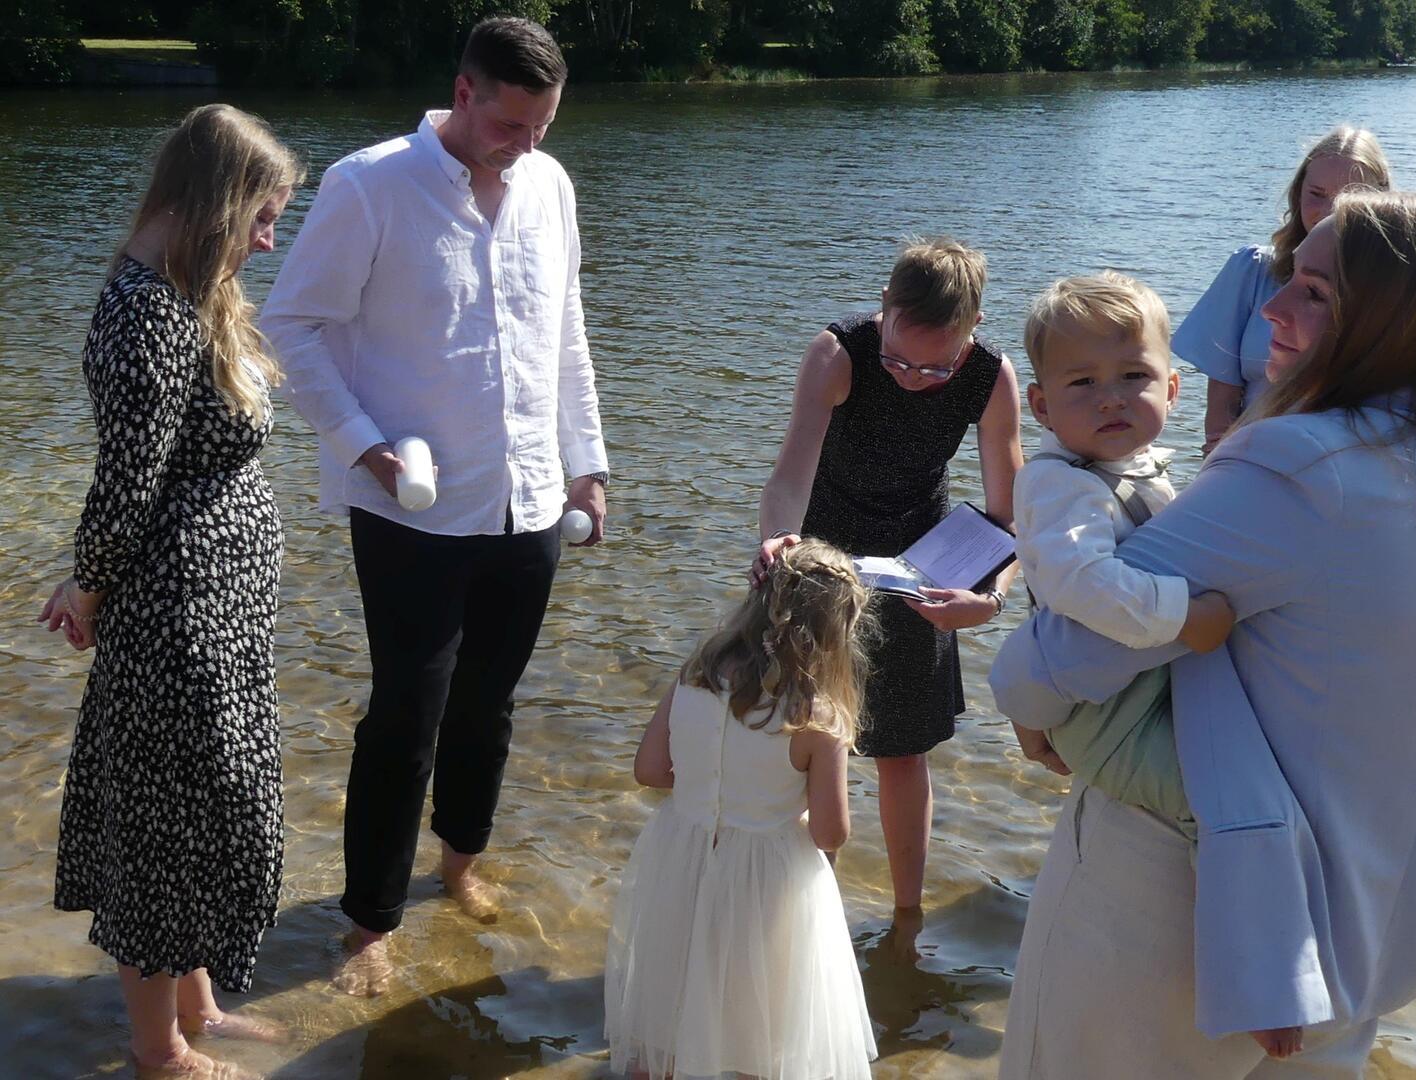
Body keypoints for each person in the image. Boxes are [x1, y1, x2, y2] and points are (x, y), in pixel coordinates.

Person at [990, 190, 1416, 1077]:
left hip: (1184, 914)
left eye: (1313, 290)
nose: (1271, 305)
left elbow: (1066, 659)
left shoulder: (1300, 467)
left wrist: (1018, 694)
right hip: (1363, 921)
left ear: (1393, 317)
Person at [260, 16, 610, 996]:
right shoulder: (368, 185)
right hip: (410, 506)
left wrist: (589, 464)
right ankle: (368, 918)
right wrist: (360, 444)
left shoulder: (551, 186)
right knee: (404, 716)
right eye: (510, 125)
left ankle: (459, 862)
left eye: (542, 126)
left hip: (531, 495)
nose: (527, 146)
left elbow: (566, 330)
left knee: (489, 706)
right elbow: (291, 321)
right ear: (463, 94)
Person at [35, 103, 302, 1080]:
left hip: (213, 612)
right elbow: (126, 485)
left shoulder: (190, 294)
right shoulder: (143, 311)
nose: (269, 240)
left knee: (200, 811)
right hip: (172, 620)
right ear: (211, 205)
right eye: (261, 217)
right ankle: (161, 1052)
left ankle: (196, 1004)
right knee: (162, 827)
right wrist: (89, 587)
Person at [754, 237, 1023, 914]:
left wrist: (987, 599)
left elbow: (1008, 518)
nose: (911, 376)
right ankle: (802, 914)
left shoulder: (991, 378)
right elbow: (791, 473)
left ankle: (907, 919)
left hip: (923, 566)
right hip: (823, 560)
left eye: (935, 370)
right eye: (899, 359)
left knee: (903, 754)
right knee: (808, 744)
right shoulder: (838, 353)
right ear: (884, 305)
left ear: (973, 333)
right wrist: (777, 543)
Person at [605, 539, 879, 1080]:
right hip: (766, 875)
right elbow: (830, 833)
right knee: (758, 1021)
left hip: (682, 854)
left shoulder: (696, 674)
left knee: (674, 998)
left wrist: (709, 794)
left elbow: (650, 771)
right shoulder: (815, 717)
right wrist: (783, 809)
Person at [1009, 272, 1237, 838]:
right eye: (1082, 382)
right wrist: (1185, 615)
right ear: (1041, 405)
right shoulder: (1064, 484)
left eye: (1134, 375)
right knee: (1222, 807)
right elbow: (1080, 582)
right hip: (1104, 719)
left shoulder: (1125, 467)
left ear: (1173, 390)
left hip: (1125, 692)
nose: (1110, 396)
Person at [1172, 125, 1392, 453]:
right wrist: (1218, 456)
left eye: (1351, 198)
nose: (1330, 212)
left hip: (1339, 465)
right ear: (1297, 192)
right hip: (1249, 457)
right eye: (1317, 195)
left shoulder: (1393, 292)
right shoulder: (1254, 270)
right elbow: (1223, 384)